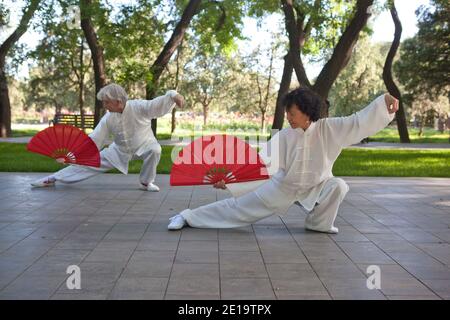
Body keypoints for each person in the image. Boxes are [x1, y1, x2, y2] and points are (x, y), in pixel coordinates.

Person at [167, 87, 398, 233]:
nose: (288, 117)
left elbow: (358, 121)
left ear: (308, 112)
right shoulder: (285, 136)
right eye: (287, 113)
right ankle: (187, 217)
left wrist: (384, 102)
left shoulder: (330, 129)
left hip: (317, 186)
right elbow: (261, 164)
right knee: (236, 209)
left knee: (339, 186)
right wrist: (229, 181)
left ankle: (319, 224)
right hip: (282, 187)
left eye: (292, 113)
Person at [31, 83, 184, 191]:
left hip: (145, 145)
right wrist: (71, 156)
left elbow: (156, 105)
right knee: (89, 164)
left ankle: (146, 183)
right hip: (119, 151)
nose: (104, 105)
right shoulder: (108, 117)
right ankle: (53, 179)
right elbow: (94, 140)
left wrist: (173, 95)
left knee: (155, 150)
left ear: (118, 102)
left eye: (106, 102)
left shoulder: (139, 107)